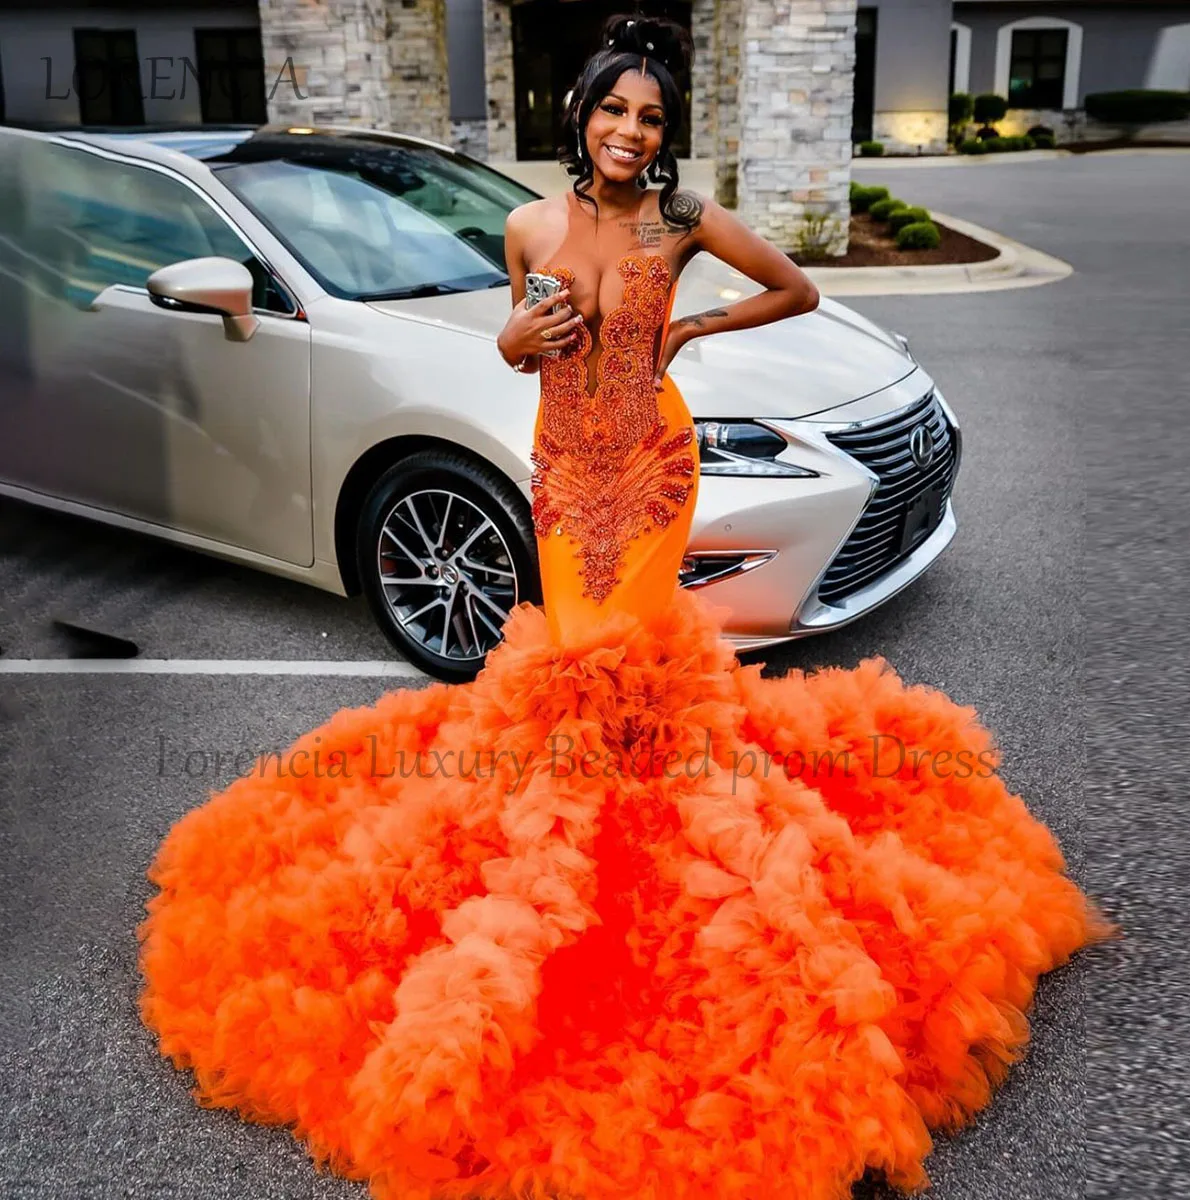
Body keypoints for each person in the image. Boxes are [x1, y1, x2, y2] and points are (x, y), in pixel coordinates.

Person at [136, 15, 1105, 1200]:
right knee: (569, 663)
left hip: (649, 465)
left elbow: (794, 287)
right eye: (614, 110)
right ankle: (580, 808)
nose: (631, 133)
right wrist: (513, 332)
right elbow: (511, 347)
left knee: (632, 660)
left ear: (664, 134)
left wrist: (692, 324)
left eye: (651, 118)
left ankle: (643, 825)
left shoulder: (680, 222)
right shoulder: (526, 223)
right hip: (561, 467)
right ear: (579, 115)